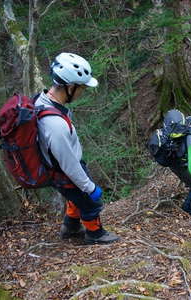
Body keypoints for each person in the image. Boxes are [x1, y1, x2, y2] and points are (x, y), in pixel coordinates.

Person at [35, 52, 119, 244]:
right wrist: (90, 188)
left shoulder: (43, 101)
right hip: (64, 170)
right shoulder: (55, 125)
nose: (83, 92)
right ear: (70, 87)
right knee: (90, 201)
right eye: (82, 88)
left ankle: (71, 227)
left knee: (76, 195)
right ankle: (95, 234)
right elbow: (69, 165)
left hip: (59, 168)